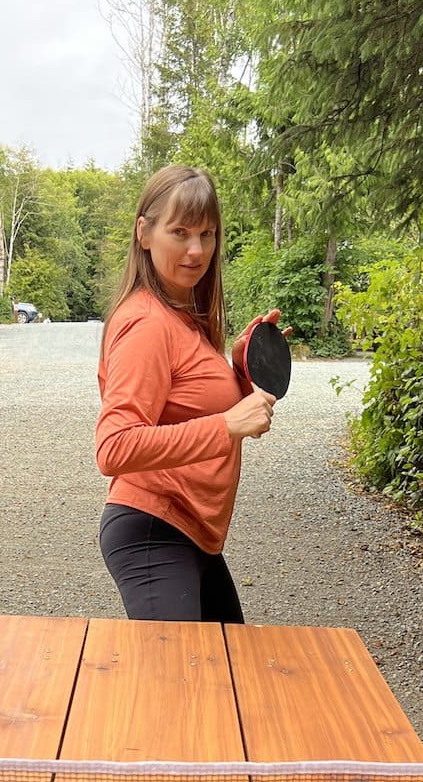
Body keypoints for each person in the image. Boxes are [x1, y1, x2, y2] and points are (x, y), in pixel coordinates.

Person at [96, 165, 283, 624]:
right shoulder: (147, 324)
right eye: (179, 232)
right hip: (154, 532)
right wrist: (227, 426)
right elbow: (113, 447)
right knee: (180, 686)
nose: (196, 250)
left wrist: (241, 367)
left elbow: (189, 407)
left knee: (224, 678)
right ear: (144, 232)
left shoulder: (182, 318)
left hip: (193, 534)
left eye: (207, 233)